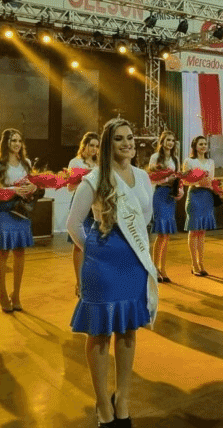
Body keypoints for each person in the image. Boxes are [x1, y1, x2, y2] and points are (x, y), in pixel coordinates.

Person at [66, 118, 156, 427]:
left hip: (133, 263)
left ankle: (123, 401)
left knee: (128, 331)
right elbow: (73, 224)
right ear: (109, 144)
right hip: (102, 265)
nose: (127, 143)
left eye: (130, 137)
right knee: (101, 333)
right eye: (119, 139)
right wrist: (94, 250)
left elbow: (146, 218)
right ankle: (103, 404)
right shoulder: (95, 179)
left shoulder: (144, 177)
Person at [0, 129, 38, 313]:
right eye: (12, 140)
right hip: (4, 210)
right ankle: (2, 293)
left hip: (22, 210)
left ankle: (16, 294)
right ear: (5, 143)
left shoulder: (27, 163)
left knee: (20, 251)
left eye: (19, 140)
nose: (16, 143)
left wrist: (33, 186)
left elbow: (33, 185)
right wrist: (12, 191)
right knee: (3, 252)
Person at [68, 132, 99, 297]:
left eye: (96, 146)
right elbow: (70, 187)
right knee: (79, 246)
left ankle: (92, 281)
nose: (94, 149)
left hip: (98, 206)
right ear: (84, 145)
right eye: (91, 145)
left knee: (95, 243)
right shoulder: (75, 162)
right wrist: (83, 178)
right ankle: (79, 283)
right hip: (81, 204)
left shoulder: (100, 163)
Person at [148, 130, 180, 283]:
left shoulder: (175, 159)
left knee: (166, 235)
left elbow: (178, 178)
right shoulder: (155, 158)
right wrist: (168, 178)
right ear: (162, 141)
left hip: (170, 195)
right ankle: (154, 268)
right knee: (161, 234)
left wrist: (178, 188)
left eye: (172, 140)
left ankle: (163, 268)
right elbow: (152, 177)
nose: (170, 143)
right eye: (168, 140)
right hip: (160, 194)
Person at [182, 135, 217, 276]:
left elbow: (212, 179)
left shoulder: (210, 161)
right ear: (195, 146)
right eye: (200, 144)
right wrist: (196, 181)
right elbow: (184, 181)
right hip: (194, 194)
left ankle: (201, 261)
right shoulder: (189, 161)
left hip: (207, 195)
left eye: (205, 144)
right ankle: (194, 263)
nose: (203, 146)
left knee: (202, 231)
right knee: (194, 229)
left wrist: (210, 183)